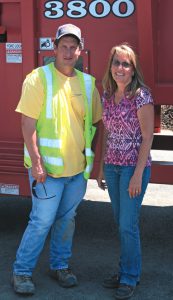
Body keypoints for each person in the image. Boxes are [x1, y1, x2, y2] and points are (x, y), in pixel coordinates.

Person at [12, 23, 102, 295]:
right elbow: (28, 124)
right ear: (54, 47)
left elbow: (96, 124)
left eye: (73, 46)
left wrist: (92, 163)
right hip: (47, 172)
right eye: (63, 46)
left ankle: (59, 266)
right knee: (41, 221)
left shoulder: (88, 84)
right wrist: (37, 163)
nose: (68, 51)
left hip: (76, 173)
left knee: (67, 220)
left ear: (80, 50)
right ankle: (22, 272)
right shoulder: (38, 79)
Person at [97, 43, 154, 300]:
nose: (120, 68)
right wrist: (100, 167)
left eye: (126, 63)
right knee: (121, 224)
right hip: (112, 166)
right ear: (110, 67)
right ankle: (124, 272)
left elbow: (147, 137)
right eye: (116, 63)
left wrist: (137, 174)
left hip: (133, 167)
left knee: (127, 225)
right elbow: (106, 132)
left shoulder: (141, 96)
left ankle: (130, 276)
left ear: (133, 69)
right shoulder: (107, 95)